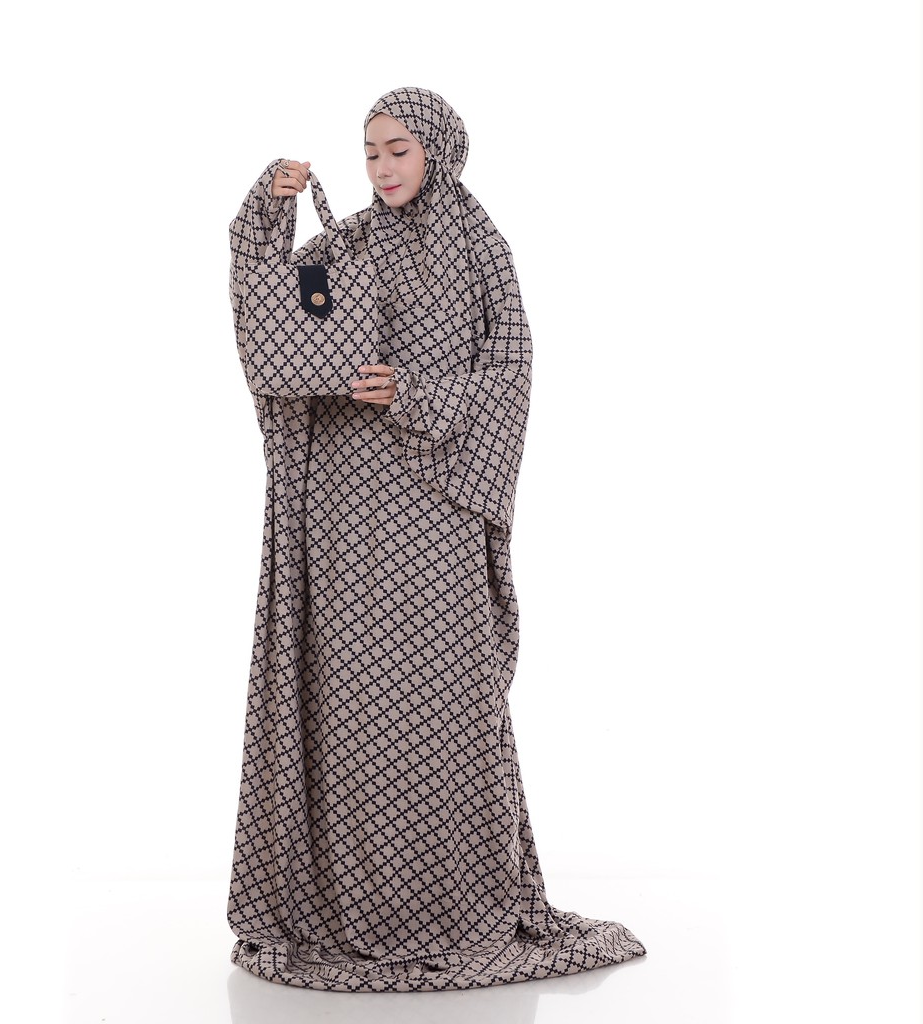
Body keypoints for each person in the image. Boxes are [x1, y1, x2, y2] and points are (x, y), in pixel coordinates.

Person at [226, 86, 646, 992]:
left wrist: (414, 393)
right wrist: (268, 212)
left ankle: (451, 905)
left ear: (440, 150)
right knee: (353, 706)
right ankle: (347, 907)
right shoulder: (345, 246)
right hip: (346, 509)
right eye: (370, 152)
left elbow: (511, 372)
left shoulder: (481, 248)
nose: (382, 168)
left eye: (399, 150)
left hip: (441, 506)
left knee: (448, 701)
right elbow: (273, 323)